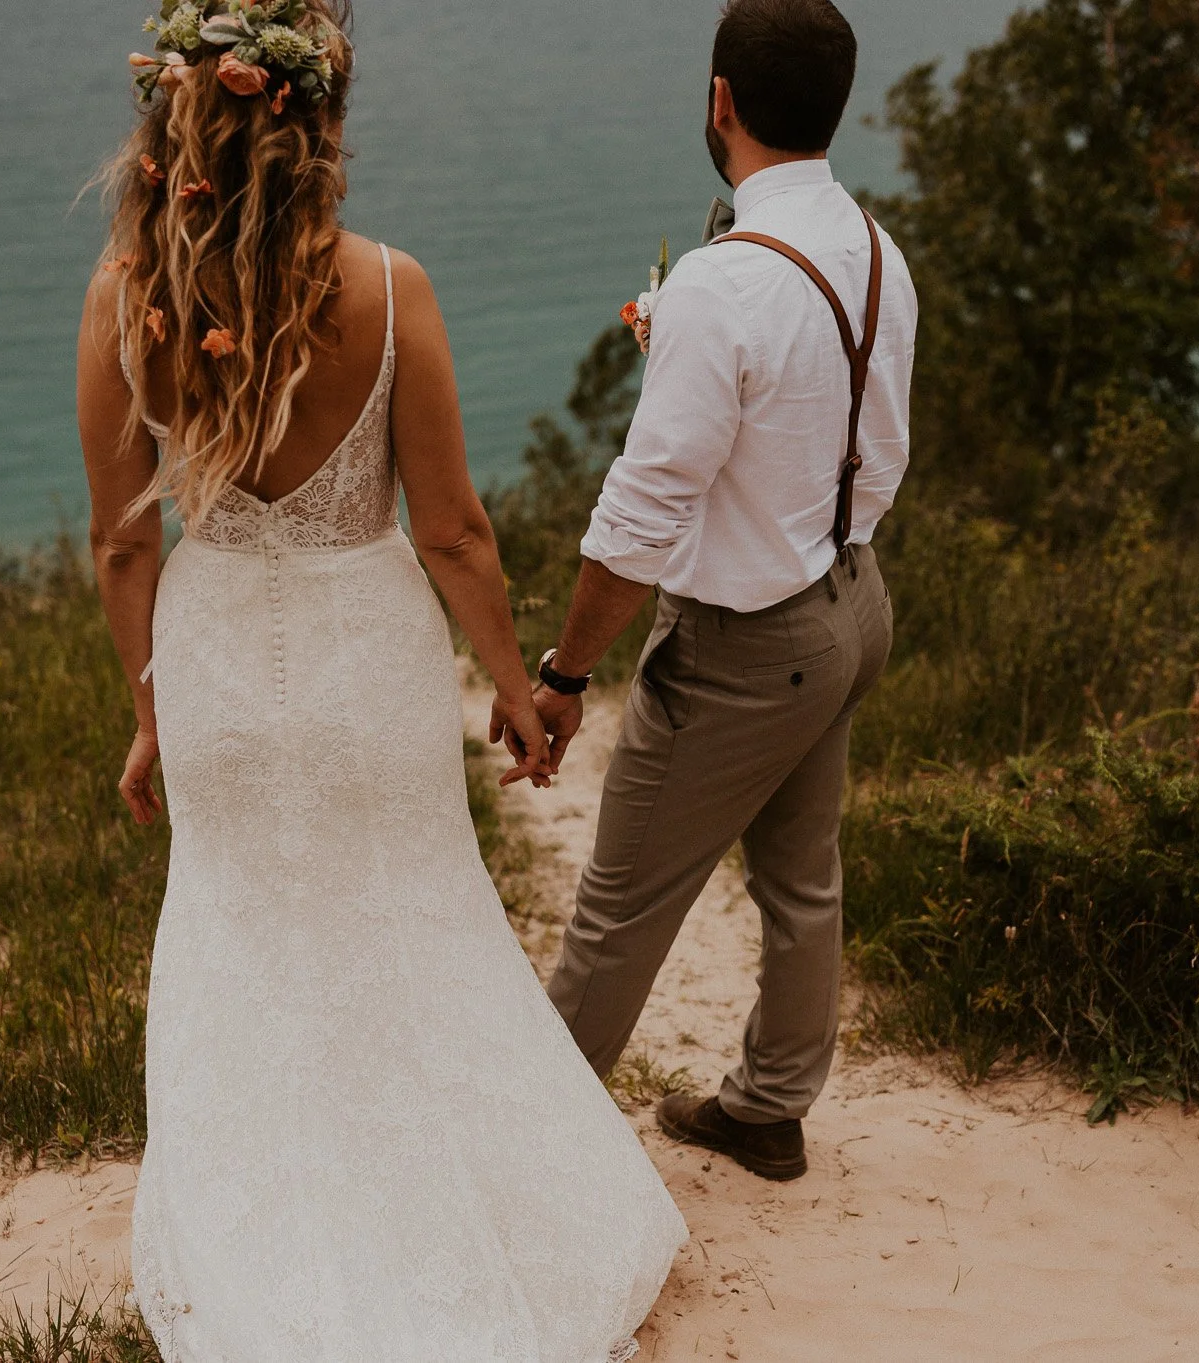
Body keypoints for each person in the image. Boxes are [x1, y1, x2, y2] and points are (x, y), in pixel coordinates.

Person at [75, 3, 685, 1357]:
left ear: (179, 128)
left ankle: (264, 1242)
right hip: (370, 657)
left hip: (220, 655)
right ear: (319, 126)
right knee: (414, 922)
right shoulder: (390, 289)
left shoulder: (126, 299)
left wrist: (149, 706)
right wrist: (520, 686)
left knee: (237, 934)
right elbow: (454, 528)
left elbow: (124, 542)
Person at [500, 0, 917, 1184]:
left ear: (720, 101)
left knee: (618, 908)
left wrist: (564, 671)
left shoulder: (720, 286)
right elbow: (872, 447)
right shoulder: (880, 252)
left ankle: (527, 1160)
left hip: (746, 647)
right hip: (852, 601)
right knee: (802, 877)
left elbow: (638, 519)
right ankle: (767, 1106)